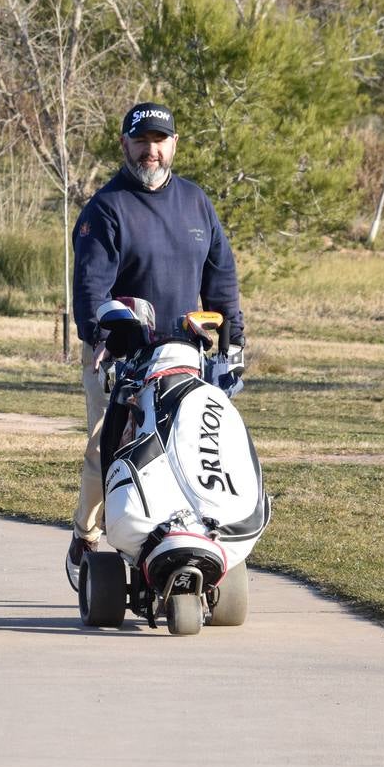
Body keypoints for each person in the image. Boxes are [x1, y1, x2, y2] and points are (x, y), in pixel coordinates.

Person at [66, 102, 245, 570]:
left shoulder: (195, 201)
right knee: (109, 443)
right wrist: (103, 334)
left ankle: (191, 533)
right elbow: (89, 289)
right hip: (122, 354)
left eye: (159, 141)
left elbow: (220, 276)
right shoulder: (106, 208)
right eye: (141, 141)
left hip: (187, 352)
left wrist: (233, 343)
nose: (151, 151)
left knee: (191, 442)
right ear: (124, 144)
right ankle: (86, 538)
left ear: (173, 145)